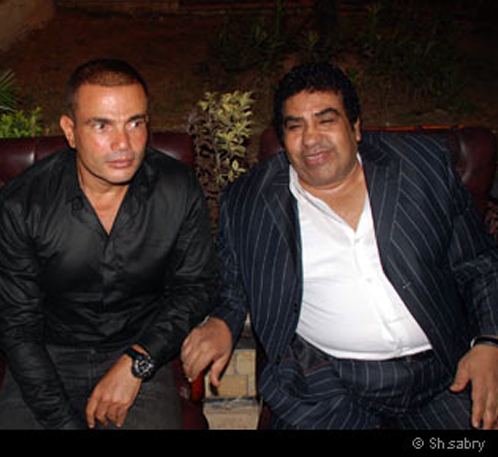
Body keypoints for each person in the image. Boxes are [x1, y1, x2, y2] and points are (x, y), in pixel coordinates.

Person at [181, 62, 498, 430]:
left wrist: (489, 342)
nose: (310, 139)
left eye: (326, 121)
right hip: (326, 381)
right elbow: (233, 284)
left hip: (442, 372)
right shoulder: (249, 199)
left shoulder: (420, 168)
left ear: (356, 127)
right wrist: (222, 321)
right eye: (295, 126)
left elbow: (480, 263)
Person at [0, 58, 217, 429]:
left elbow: (195, 288)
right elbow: (18, 327)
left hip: (141, 347)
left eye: (135, 123)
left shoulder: (177, 189)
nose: (123, 144)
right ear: (70, 130)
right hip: (46, 356)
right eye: (101, 125)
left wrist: (138, 361)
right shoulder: (23, 204)